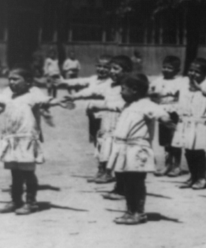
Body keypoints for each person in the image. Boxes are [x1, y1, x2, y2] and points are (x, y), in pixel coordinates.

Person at [0, 68, 70, 215]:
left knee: (27, 172)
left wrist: (57, 102)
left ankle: (31, 202)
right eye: (10, 79)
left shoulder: (33, 94)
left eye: (16, 79)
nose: (11, 82)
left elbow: (45, 100)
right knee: (14, 171)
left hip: (26, 138)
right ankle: (16, 200)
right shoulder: (8, 94)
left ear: (28, 82)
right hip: (11, 138)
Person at [89, 73, 175, 225]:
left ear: (134, 90)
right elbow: (110, 106)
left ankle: (138, 212)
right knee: (129, 183)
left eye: (123, 89)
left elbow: (162, 115)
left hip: (137, 150)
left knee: (136, 182)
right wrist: (94, 105)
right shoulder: (128, 104)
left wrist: (169, 123)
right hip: (124, 149)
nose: (121, 92)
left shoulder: (147, 105)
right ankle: (131, 211)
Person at [65, 55, 133, 193]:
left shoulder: (128, 86)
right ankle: (111, 179)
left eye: (115, 69)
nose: (111, 71)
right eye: (111, 68)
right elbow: (91, 91)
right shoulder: (108, 85)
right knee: (107, 147)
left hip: (121, 124)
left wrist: (100, 105)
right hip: (108, 122)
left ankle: (121, 185)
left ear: (126, 71)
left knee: (119, 153)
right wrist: (73, 96)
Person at [173, 57, 206, 190]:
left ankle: (201, 177)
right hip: (185, 120)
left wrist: (199, 87)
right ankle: (193, 176)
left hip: (200, 122)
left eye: (197, 72)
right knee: (187, 150)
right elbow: (174, 94)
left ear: (205, 74)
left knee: (198, 151)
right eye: (190, 70)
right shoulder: (184, 83)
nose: (192, 74)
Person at [149, 55, 187, 177]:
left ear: (177, 70)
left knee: (175, 140)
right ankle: (168, 164)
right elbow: (151, 94)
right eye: (164, 67)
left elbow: (182, 97)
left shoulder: (181, 82)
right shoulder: (157, 81)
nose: (166, 70)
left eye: (170, 68)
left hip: (174, 112)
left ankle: (177, 166)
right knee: (165, 141)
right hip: (162, 112)